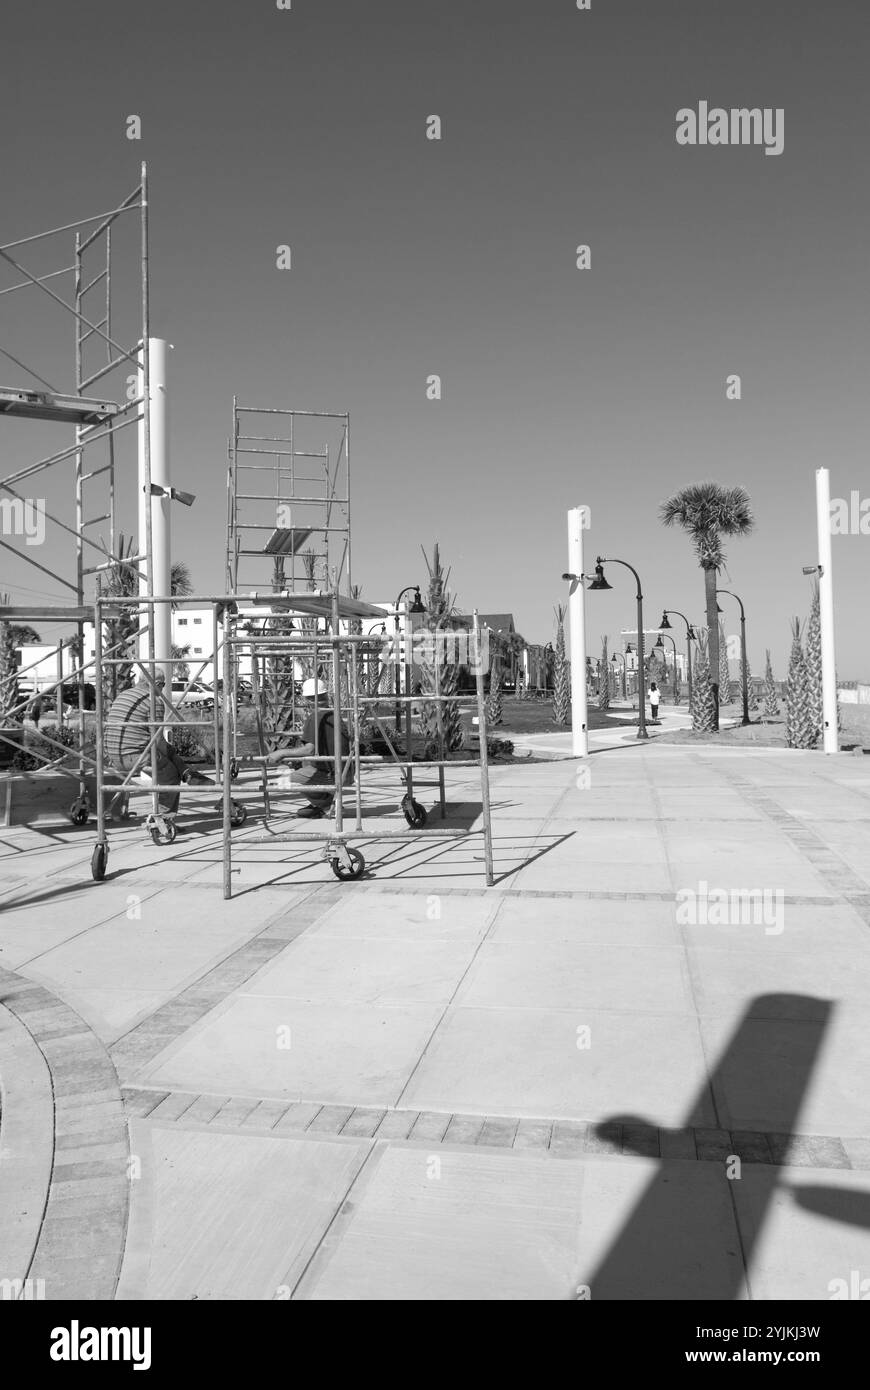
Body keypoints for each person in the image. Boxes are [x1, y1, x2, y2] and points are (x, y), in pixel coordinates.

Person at [105, 673, 211, 821]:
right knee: (171, 775)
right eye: (163, 685)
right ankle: (164, 819)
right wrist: (172, 754)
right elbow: (157, 741)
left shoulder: (123, 695)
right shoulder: (153, 701)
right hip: (135, 756)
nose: (162, 689)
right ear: (156, 683)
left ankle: (187, 773)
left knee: (167, 754)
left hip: (113, 754)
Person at [261, 677, 351, 819]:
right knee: (305, 767)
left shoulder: (315, 717)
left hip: (333, 774)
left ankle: (326, 805)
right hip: (347, 771)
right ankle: (326, 802)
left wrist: (281, 752)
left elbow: (309, 750)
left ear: (308, 700)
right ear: (326, 696)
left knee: (289, 779)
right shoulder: (334, 715)